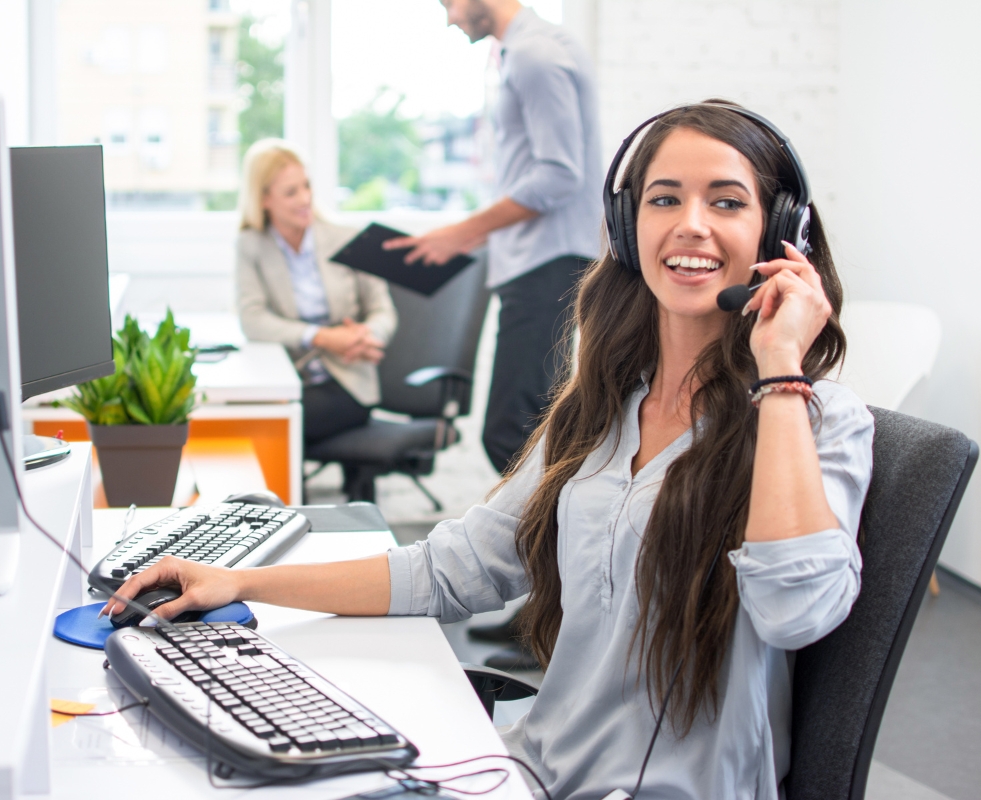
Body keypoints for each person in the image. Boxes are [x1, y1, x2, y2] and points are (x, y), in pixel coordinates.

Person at [107, 103, 873, 799]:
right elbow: (452, 569)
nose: (690, 225)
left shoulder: (818, 421)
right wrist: (239, 580)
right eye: (663, 197)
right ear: (626, 223)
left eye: (727, 202)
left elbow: (795, 611)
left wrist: (780, 375)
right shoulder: (602, 408)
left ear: (780, 233)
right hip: (534, 770)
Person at [384, 0, 603, 476]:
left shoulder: (536, 55)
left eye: (449, 3)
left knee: (509, 431)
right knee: (541, 430)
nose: (449, 18)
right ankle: (555, 544)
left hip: (548, 264)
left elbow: (559, 176)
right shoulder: (522, 52)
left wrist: (461, 234)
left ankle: (556, 542)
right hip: (540, 262)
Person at [235, 139, 397, 446]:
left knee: (275, 429)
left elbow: (382, 310)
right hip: (287, 380)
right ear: (264, 199)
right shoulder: (250, 246)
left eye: (306, 186)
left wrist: (365, 336)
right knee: (261, 417)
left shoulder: (348, 239)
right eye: (291, 192)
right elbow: (252, 319)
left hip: (347, 382)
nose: (305, 198)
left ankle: (292, 495)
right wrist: (320, 336)